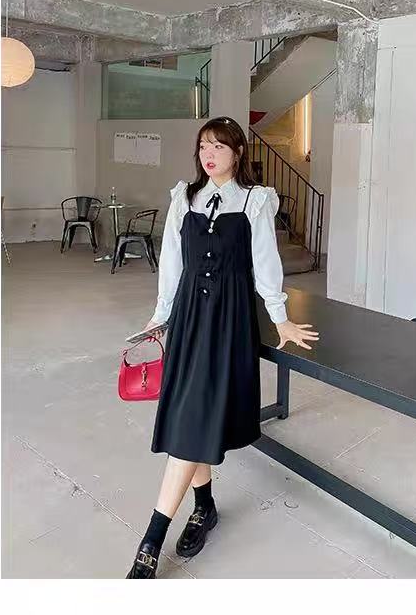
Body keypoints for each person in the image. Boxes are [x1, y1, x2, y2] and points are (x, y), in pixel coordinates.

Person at [125, 116, 320, 579]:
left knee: (195, 419)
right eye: (203, 147)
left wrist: (280, 317)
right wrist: (160, 316)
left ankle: (152, 540)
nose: (209, 155)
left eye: (218, 146)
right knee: (191, 418)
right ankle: (204, 507)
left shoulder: (255, 200)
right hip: (190, 316)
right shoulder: (184, 197)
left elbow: (265, 263)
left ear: (238, 152)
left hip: (230, 317)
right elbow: (171, 263)